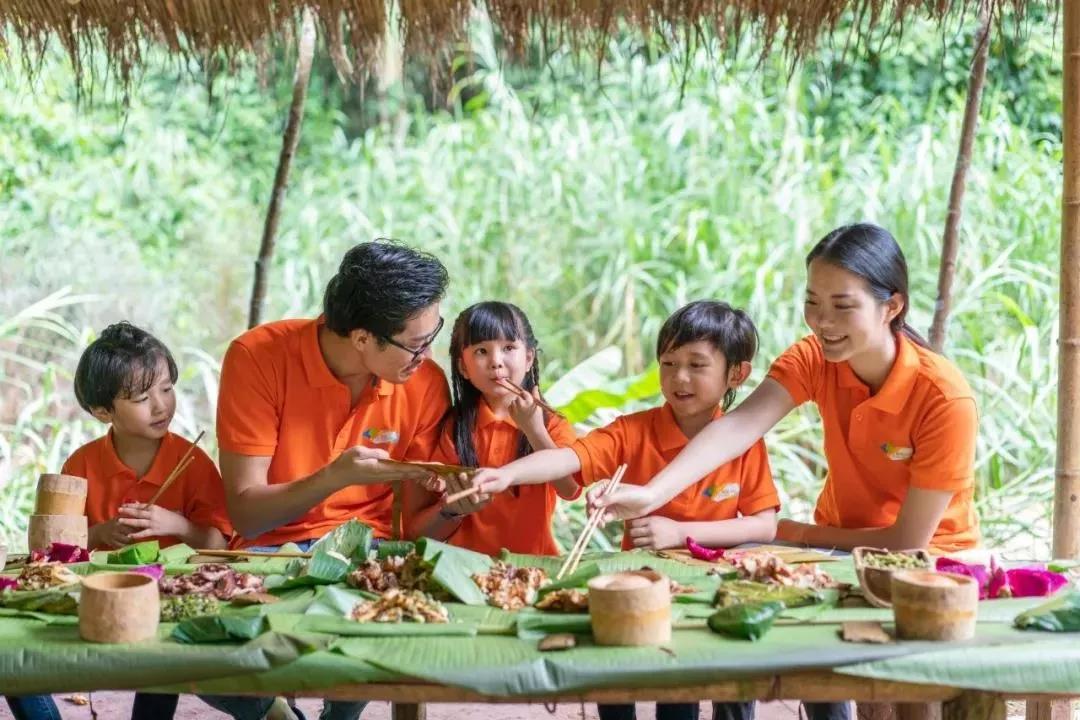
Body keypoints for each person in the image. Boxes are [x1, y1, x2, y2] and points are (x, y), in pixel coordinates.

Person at [593, 223, 980, 557]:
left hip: (934, 559)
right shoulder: (815, 357)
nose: (822, 321)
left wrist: (795, 533)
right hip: (835, 551)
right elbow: (738, 426)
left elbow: (907, 543)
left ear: (891, 306)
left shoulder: (945, 399)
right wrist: (650, 495)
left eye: (842, 306)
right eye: (812, 301)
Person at [472, 300, 779, 720]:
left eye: (696, 365)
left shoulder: (744, 440)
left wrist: (680, 533)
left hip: (715, 590)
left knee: (721, 684)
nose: (679, 377)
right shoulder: (632, 431)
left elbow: (764, 525)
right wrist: (507, 474)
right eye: (668, 363)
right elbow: (568, 461)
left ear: (736, 374)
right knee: (620, 667)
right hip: (640, 589)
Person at [205, 240, 451, 720]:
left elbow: (415, 524)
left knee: (394, 614)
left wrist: (454, 504)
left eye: (432, 335)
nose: (426, 355)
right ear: (362, 338)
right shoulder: (257, 357)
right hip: (269, 552)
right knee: (191, 648)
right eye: (416, 343)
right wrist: (335, 477)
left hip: (369, 552)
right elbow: (247, 516)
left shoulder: (425, 383)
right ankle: (274, 712)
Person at [62, 321, 232, 720]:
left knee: (175, 665)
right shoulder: (81, 465)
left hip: (177, 598)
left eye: (167, 389)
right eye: (142, 397)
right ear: (102, 411)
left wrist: (178, 526)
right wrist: (101, 532)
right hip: (104, 597)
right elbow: (55, 548)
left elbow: (221, 544)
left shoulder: (192, 462)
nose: (161, 406)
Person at [408, 301, 578, 554]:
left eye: (508, 348)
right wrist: (452, 508)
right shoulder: (455, 429)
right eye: (481, 351)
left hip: (535, 565)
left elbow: (570, 489)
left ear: (529, 358)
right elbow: (421, 530)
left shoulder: (551, 423)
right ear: (463, 367)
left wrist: (534, 430)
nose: (496, 361)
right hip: (467, 568)